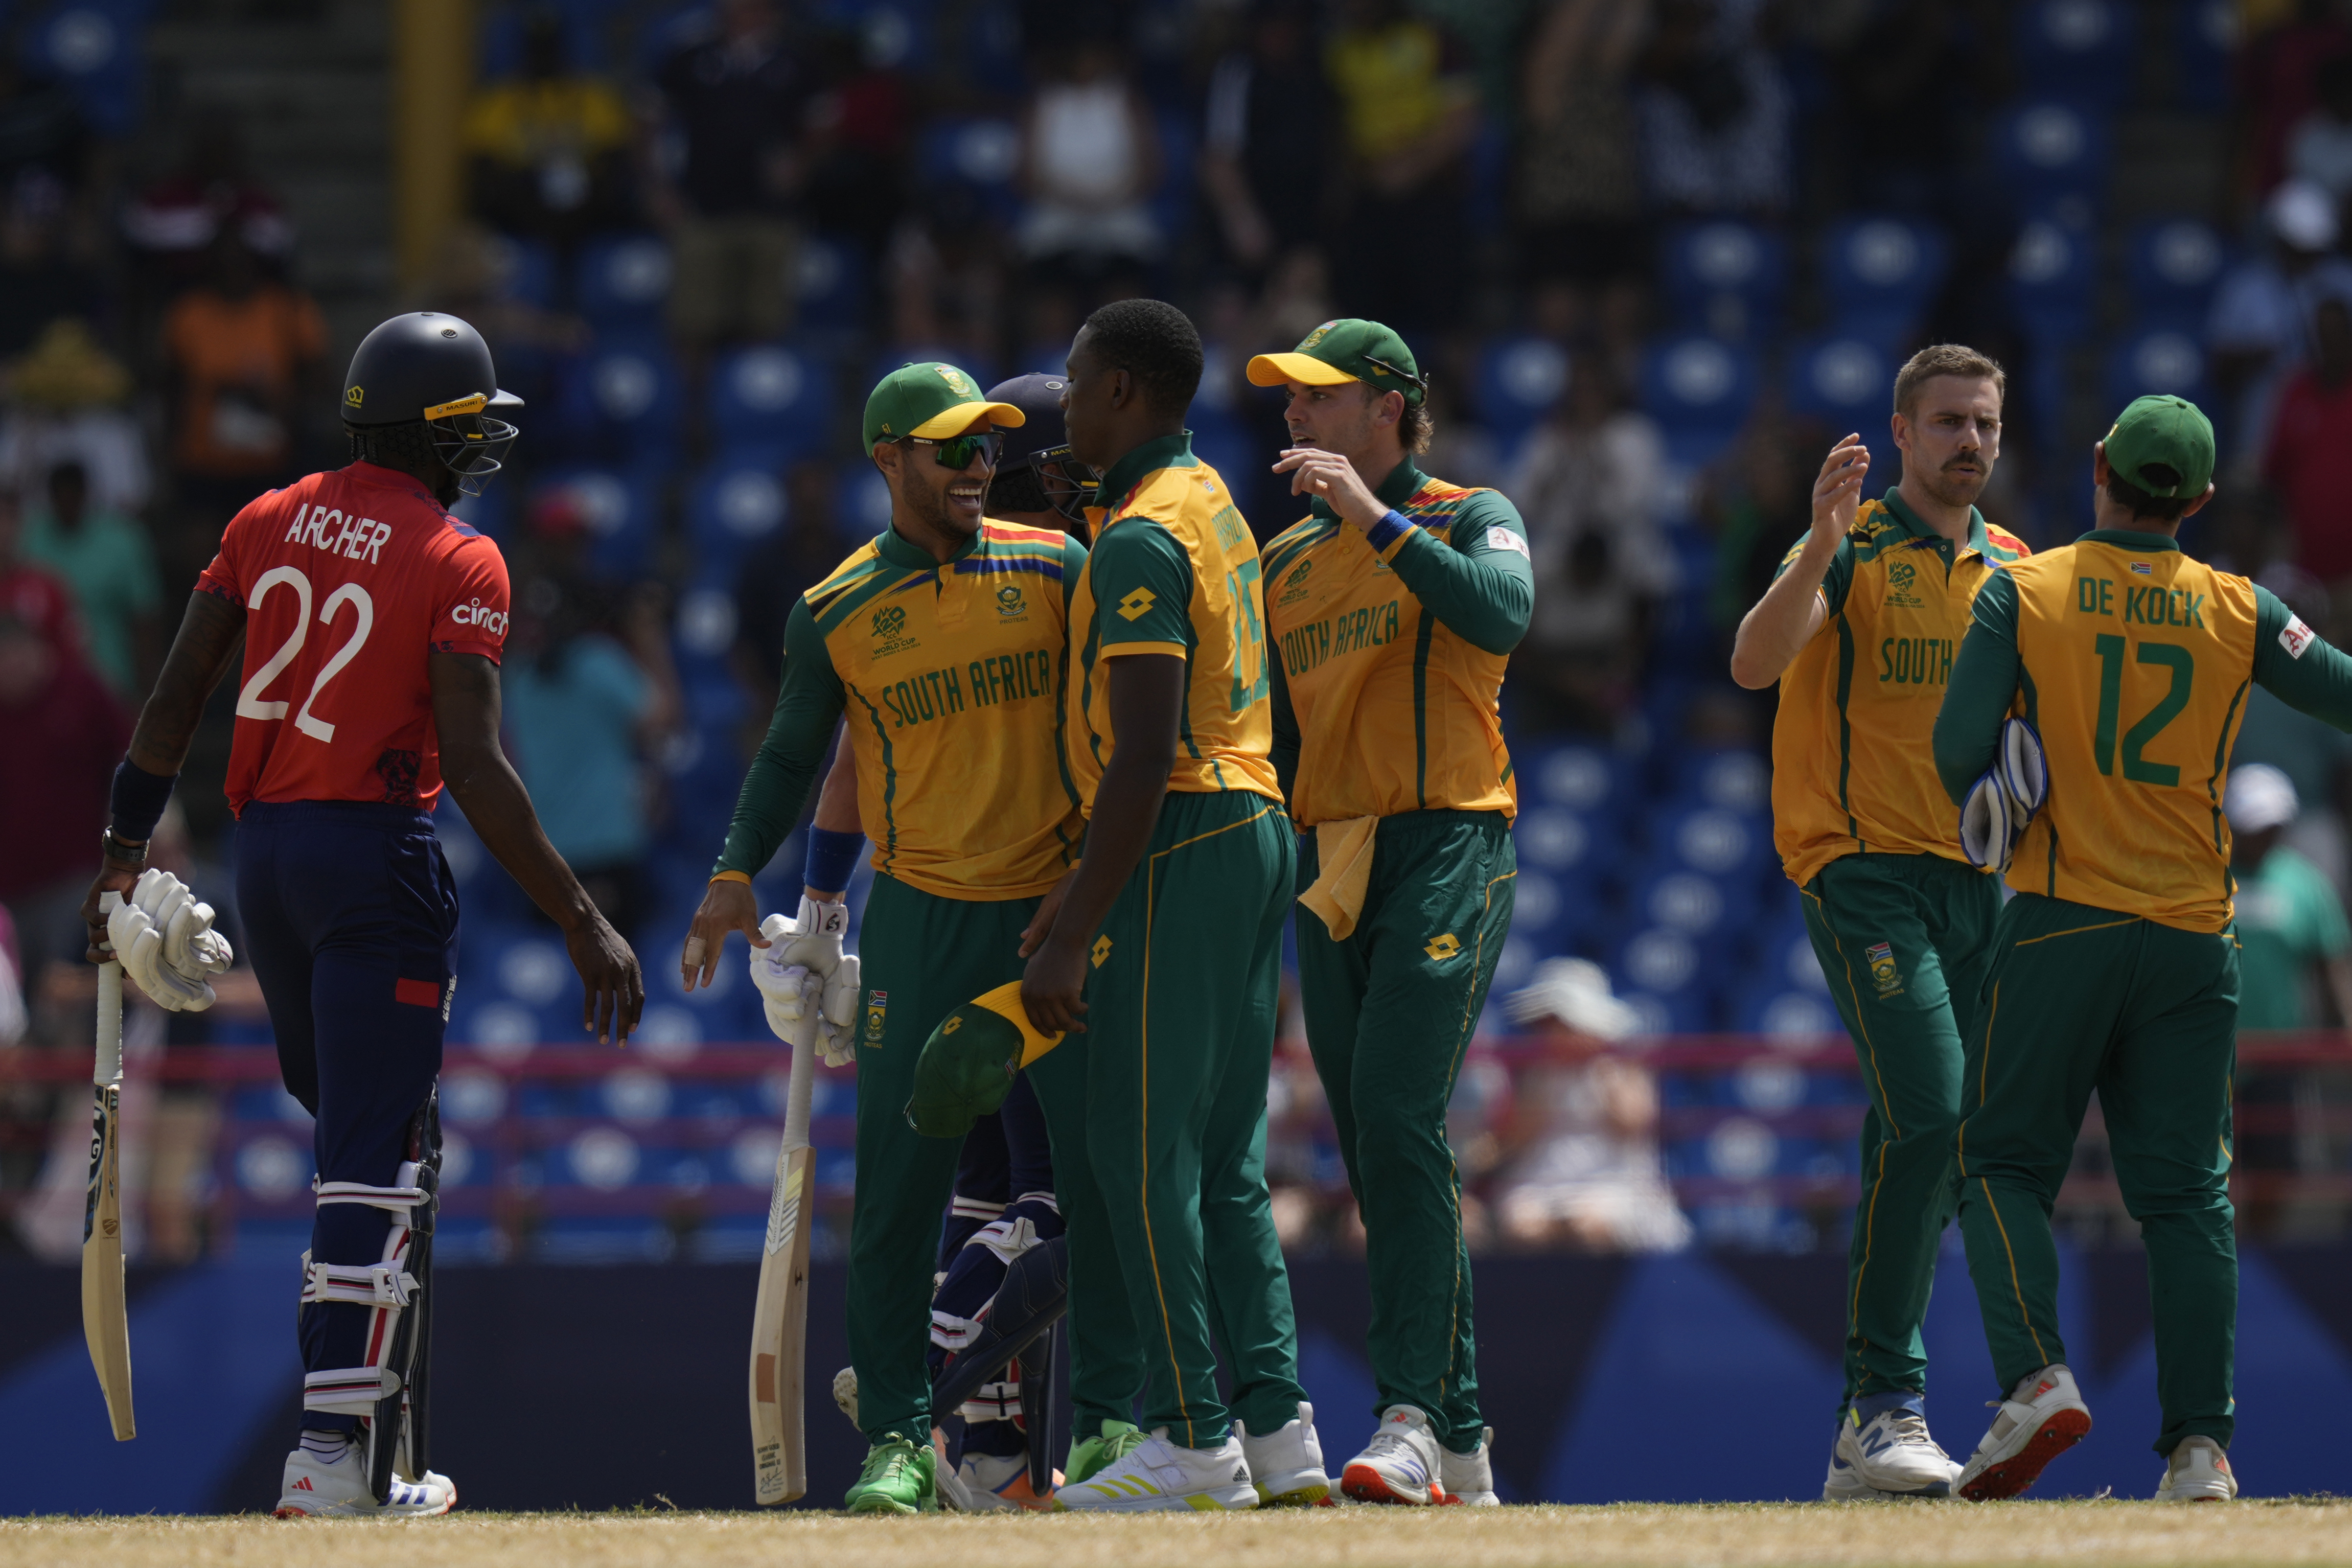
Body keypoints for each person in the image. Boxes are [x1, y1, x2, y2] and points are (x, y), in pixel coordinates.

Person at [79, 312, 643, 1517]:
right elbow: (478, 771)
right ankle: (333, 1457)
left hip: (266, 858)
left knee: (365, 1143)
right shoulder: (461, 556)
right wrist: (580, 918)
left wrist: (123, 856)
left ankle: (373, 1451)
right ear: (437, 429)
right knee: (375, 1166)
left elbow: (176, 697)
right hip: (372, 857)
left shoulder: (262, 516)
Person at [680, 362, 1098, 1514]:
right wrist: (738, 874)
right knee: (904, 1192)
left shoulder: (1058, 565)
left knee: (1088, 1187)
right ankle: (901, 1444)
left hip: (1050, 915)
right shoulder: (837, 607)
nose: (977, 465)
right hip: (921, 918)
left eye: (984, 448)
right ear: (888, 460)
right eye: (951, 446)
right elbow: (794, 753)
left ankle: (1100, 1433)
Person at [1931, 395, 2352, 1503]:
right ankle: (2201, 1450)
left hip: (2064, 913)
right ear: (2202, 502)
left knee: (2003, 1162)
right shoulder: (2239, 606)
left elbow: (1955, 751)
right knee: (2187, 1197)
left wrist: (2008, 775)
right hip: (2190, 932)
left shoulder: (2025, 589)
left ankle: (2036, 1377)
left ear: (2101, 470)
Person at [1021, 298, 1325, 1512]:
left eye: (1078, 383)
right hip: (1257, 820)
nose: (1066, 401)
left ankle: (1193, 1442)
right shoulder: (1206, 500)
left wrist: (1070, 926)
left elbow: (1141, 754)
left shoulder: (1140, 539)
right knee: (1225, 1163)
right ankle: (1275, 1427)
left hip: (1182, 828)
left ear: (1122, 396)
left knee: (1139, 1154)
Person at [1728, 344, 2030, 1501]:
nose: (1969, 442)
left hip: (1973, 881)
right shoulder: (1850, 549)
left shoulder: (2016, 571)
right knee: (1936, 1108)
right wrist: (1815, 539)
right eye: (1948, 421)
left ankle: (1871, 1427)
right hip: (1858, 871)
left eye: (1985, 424)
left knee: (1923, 1131)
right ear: (1900, 433)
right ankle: (1882, 1403)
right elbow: (1752, 663)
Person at [1244, 317, 1531, 1506]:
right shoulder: (1283, 562)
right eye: (1289, 397)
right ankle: (1458, 1435)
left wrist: (1368, 511)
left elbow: (1501, 614)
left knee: (1403, 1115)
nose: (1294, 412)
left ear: (1391, 406)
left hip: (1448, 838)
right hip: (1333, 856)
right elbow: (1273, 735)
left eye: (1319, 393)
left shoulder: (1472, 508)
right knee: (1371, 1144)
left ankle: (1410, 1413)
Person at [650, 0, 805, 352]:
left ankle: (752, 402)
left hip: (770, 213)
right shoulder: (690, 56)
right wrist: (659, 188)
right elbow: (648, 121)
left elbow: (822, 124)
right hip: (703, 208)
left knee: (765, 322)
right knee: (694, 325)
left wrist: (800, 162)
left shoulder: (794, 61)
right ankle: (692, 406)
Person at [22, 459, 162, 701]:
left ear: (86, 495)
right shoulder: (29, 538)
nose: (67, 504)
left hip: (111, 679)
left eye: (73, 496)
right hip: (41, 687)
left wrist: (149, 687)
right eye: (60, 497)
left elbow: (145, 618)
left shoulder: (124, 540)